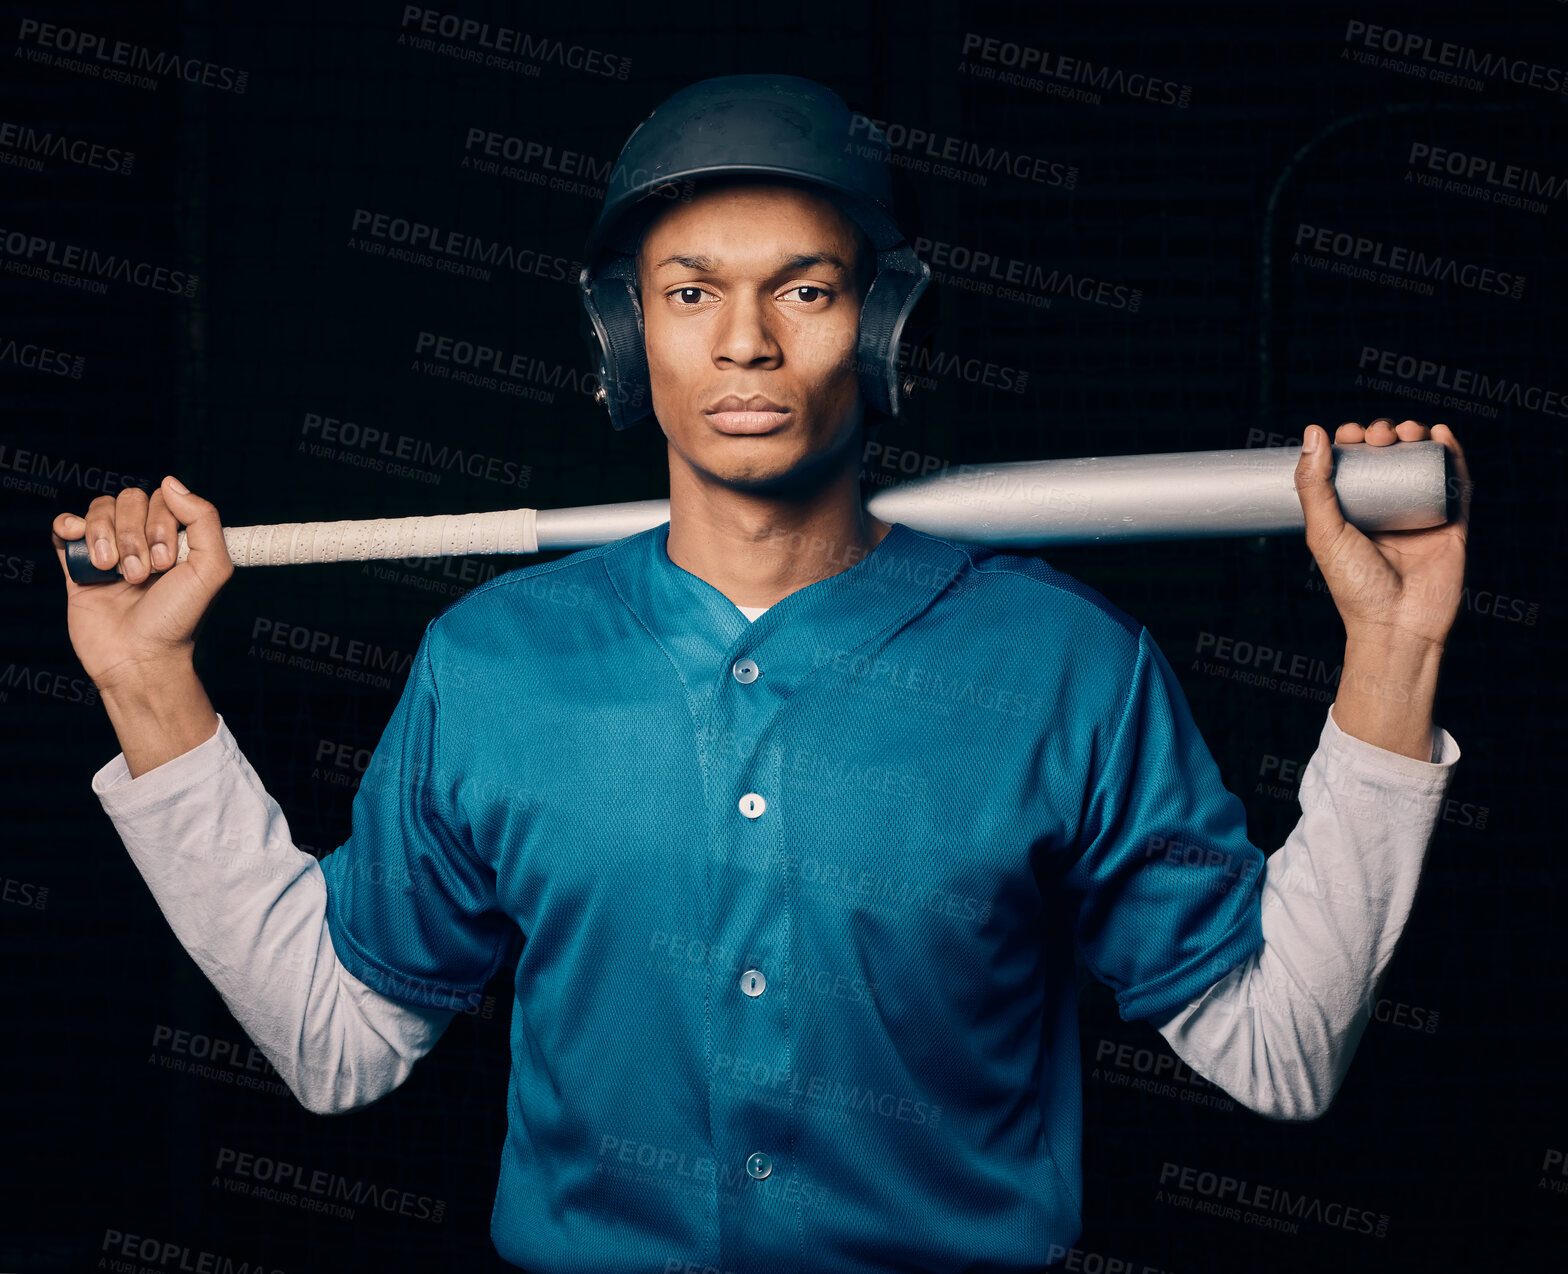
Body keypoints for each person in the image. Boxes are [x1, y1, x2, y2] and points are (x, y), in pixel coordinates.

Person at [52, 75, 1466, 1274]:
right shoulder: (493, 663)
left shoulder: (1064, 667)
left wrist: (1395, 649)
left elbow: (1280, 1049)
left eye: (804, 287)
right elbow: (334, 1040)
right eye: (690, 292)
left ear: (883, 323)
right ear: (627, 334)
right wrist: (147, 679)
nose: (744, 341)